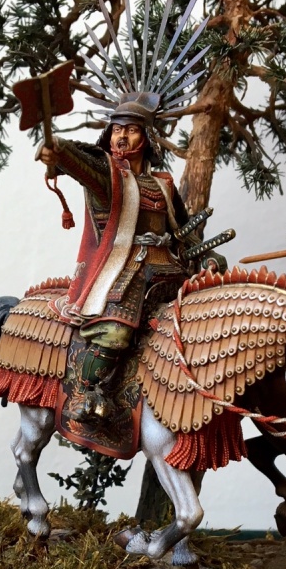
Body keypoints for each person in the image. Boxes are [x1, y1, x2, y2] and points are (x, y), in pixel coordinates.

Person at [38, 93, 197, 425]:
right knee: (115, 332)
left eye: (132, 130)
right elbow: (82, 164)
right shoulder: (107, 177)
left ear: (146, 137)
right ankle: (87, 392)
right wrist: (59, 151)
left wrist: (206, 253)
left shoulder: (163, 184)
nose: (122, 136)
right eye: (116, 129)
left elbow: (182, 229)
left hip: (171, 268)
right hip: (125, 269)